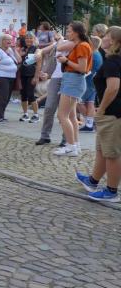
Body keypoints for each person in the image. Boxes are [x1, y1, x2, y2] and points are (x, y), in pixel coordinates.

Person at [75, 26, 121, 202]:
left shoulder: (113, 61)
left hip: (112, 113)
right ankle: (93, 181)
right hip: (112, 112)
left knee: (112, 153)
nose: (103, 38)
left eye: (107, 36)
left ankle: (111, 191)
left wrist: (101, 109)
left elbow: (113, 88)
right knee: (102, 150)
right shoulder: (113, 60)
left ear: (114, 41)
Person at [52, 22, 92, 157]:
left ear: (76, 33)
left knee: (62, 115)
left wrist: (66, 61)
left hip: (73, 81)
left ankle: (70, 147)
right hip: (71, 80)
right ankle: (75, 145)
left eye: (69, 31)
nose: (67, 34)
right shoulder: (81, 45)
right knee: (71, 116)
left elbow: (82, 68)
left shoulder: (82, 46)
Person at [0, 33, 19, 122]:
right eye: (7, 39)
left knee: (7, 97)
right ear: (2, 41)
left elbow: (19, 60)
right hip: (2, 76)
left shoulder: (10, 51)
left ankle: (1, 115)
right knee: (3, 97)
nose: (10, 41)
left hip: (11, 77)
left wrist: (14, 50)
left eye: (11, 39)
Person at [78, 36, 103, 133]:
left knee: (79, 102)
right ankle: (90, 124)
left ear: (91, 44)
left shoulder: (93, 55)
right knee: (90, 103)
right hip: (93, 83)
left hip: (88, 83)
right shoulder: (98, 54)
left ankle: (90, 123)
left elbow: (88, 70)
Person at [17, 32, 40, 122]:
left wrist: (36, 77)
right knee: (23, 94)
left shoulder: (36, 49)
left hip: (31, 74)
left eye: (30, 38)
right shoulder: (23, 49)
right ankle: (25, 114)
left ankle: (36, 115)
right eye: (27, 38)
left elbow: (38, 65)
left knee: (30, 94)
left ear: (34, 39)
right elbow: (19, 60)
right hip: (22, 74)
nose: (28, 40)